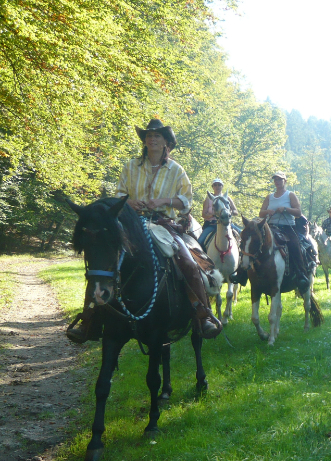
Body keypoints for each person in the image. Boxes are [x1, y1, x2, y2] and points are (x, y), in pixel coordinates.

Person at [67, 119, 222, 343]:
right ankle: (89, 319)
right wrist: (129, 204)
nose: (152, 139)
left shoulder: (177, 170)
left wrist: (164, 200)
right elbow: (119, 195)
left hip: (163, 224)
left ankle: (202, 313)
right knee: (102, 262)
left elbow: (186, 201)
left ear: (166, 142)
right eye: (149, 136)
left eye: (157, 136)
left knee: (187, 261)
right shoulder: (131, 166)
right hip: (130, 223)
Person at [258, 171, 310, 291]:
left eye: (280, 179)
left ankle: (301, 274)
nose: (277, 182)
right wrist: (267, 212)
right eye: (275, 180)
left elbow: (298, 212)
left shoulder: (290, 195)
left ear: (285, 181)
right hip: (271, 226)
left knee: (294, 245)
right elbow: (261, 213)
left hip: (287, 227)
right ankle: (246, 271)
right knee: (255, 242)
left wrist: (286, 209)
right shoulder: (269, 197)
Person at [198, 178, 241, 248]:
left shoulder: (227, 198)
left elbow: (236, 212)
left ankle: (242, 256)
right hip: (212, 225)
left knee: (243, 234)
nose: (217, 186)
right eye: (215, 185)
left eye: (219, 185)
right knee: (199, 242)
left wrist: (229, 213)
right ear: (213, 187)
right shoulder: (208, 199)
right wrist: (213, 214)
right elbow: (203, 214)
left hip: (226, 223)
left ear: (222, 186)